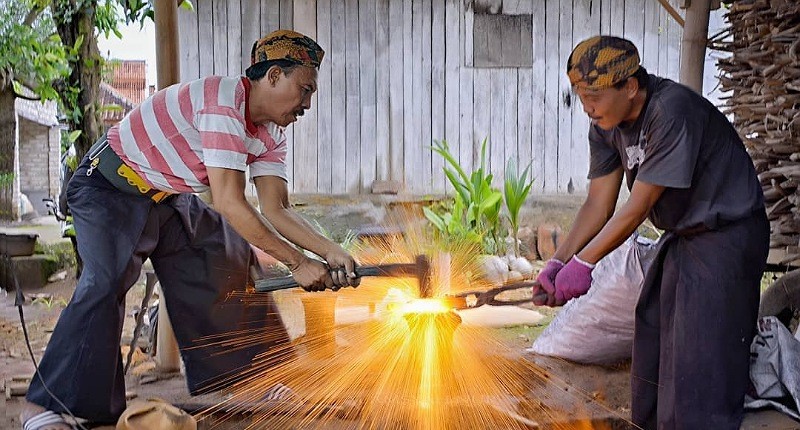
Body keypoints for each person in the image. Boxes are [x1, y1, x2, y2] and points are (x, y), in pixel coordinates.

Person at [20, 29, 360, 429]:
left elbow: (277, 208)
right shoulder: (223, 104)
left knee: (227, 252)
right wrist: (297, 263)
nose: (307, 103)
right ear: (271, 77)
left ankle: (253, 379)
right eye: (303, 89)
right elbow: (231, 202)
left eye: (311, 94)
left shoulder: (271, 133)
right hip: (108, 186)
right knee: (106, 277)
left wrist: (329, 252)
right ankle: (47, 407)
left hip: (164, 195)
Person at [534, 36, 768, 429]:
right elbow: (598, 204)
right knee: (655, 338)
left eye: (595, 94)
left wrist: (584, 262)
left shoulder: (671, 110)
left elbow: (638, 206)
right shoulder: (605, 126)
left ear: (629, 86)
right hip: (683, 238)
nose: (587, 106)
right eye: (580, 95)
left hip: (728, 235)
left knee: (700, 359)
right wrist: (559, 261)